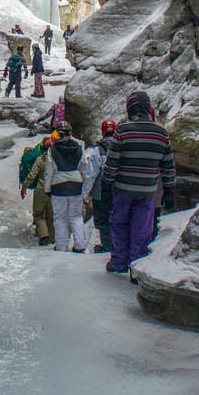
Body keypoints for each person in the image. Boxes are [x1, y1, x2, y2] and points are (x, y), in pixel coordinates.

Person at [103, 91, 175, 276]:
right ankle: (137, 268)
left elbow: (112, 162)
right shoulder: (161, 133)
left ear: (130, 108)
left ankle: (118, 262)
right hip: (147, 191)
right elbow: (168, 165)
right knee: (142, 229)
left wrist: (106, 185)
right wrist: (169, 190)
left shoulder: (123, 130)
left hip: (122, 189)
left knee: (119, 225)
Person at [42, 122, 88, 252]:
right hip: (76, 185)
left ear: (58, 133)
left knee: (60, 217)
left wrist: (47, 189)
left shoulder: (53, 150)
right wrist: (84, 185)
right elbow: (84, 168)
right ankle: (80, 245)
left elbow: (49, 171)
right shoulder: (79, 148)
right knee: (76, 216)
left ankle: (61, 246)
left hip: (58, 186)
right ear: (70, 133)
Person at [82, 119, 117, 254]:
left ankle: (107, 245)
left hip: (101, 190)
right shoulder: (121, 146)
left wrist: (85, 193)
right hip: (117, 189)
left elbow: (91, 174)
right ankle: (116, 244)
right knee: (117, 217)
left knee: (102, 219)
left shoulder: (97, 150)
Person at [20, 134, 57, 245]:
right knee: (51, 217)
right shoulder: (58, 160)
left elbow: (32, 175)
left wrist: (24, 187)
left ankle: (43, 236)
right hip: (54, 191)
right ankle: (52, 240)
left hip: (40, 190)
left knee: (39, 215)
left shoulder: (40, 159)